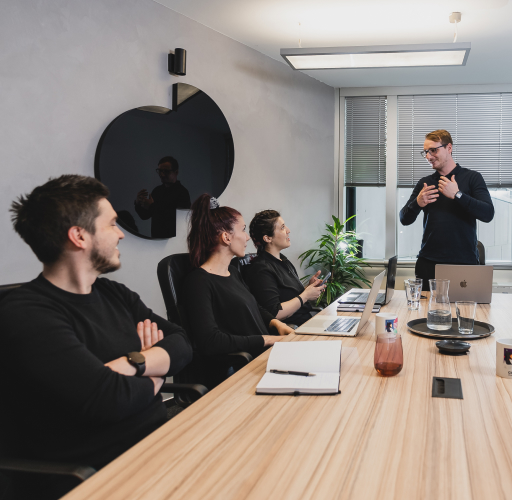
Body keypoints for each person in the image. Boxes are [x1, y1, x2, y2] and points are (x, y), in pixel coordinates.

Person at [0, 175, 192, 471]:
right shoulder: (27, 313)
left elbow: (181, 343)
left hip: (163, 443)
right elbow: (107, 398)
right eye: (113, 224)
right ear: (79, 236)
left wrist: (132, 365)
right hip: (101, 475)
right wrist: (156, 375)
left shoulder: (114, 293)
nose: (121, 234)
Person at [182, 195, 293, 380]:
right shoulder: (198, 282)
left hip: (264, 357)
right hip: (243, 368)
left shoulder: (232, 272)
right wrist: (268, 339)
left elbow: (255, 307)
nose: (248, 237)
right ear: (226, 237)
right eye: (242, 230)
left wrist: (276, 323)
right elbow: (211, 341)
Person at [399, 129, 494, 290]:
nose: (428, 156)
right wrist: (418, 202)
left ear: (449, 148)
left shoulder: (472, 178)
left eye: (433, 150)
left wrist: (457, 194)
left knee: (464, 314)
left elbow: (487, 213)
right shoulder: (425, 183)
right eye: (426, 152)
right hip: (428, 264)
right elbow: (404, 219)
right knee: (426, 314)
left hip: (464, 264)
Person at [244, 210, 325, 327]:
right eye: (282, 228)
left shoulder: (282, 260)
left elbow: (290, 297)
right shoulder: (261, 269)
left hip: (306, 323)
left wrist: (309, 288)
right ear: (267, 238)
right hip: (293, 330)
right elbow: (274, 313)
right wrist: (306, 295)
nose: (288, 230)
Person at [134, 156, 191, 238]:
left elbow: (178, 219)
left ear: (176, 172)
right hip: (156, 242)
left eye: (166, 171)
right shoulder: (157, 191)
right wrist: (138, 203)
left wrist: (151, 206)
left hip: (174, 243)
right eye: (160, 171)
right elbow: (145, 215)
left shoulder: (182, 193)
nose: (162, 174)